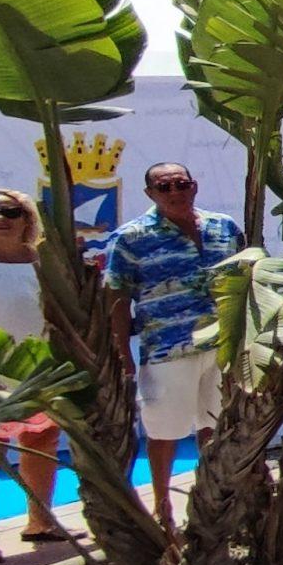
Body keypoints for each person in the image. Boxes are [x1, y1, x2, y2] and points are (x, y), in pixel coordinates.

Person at [104, 162, 244, 529]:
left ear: (194, 186)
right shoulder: (131, 238)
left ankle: (211, 503)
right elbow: (117, 297)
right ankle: (162, 506)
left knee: (215, 426)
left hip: (222, 346)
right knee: (164, 431)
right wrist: (121, 353)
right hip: (167, 348)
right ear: (150, 193)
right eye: (164, 187)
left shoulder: (224, 227)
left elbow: (244, 281)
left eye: (181, 184)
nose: (174, 192)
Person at [0, 188, 69, 560]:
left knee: (42, 441)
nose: (0, 219)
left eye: (10, 211)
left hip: (41, 372)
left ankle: (40, 522)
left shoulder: (44, 262)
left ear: (26, 217)